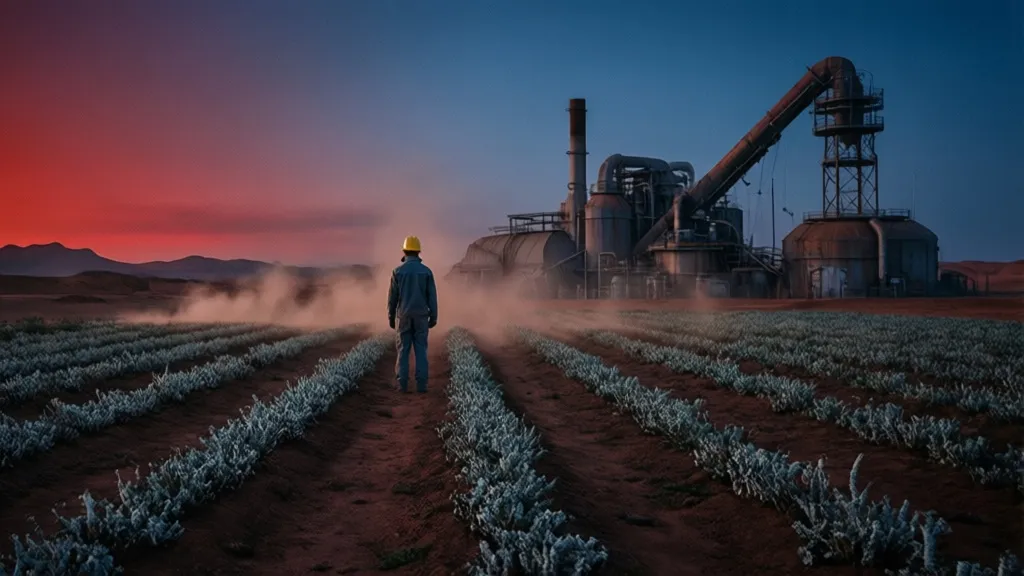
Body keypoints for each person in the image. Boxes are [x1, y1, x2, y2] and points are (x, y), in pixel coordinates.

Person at [386, 235, 438, 393]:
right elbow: (432, 297)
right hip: (422, 317)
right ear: (418, 252)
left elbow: (392, 298)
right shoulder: (427, 272)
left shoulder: (397, 272)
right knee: (421, 350)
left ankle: (402, 385)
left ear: (404, 251)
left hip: (404, 317)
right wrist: (434, 317)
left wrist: (391, 317)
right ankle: (421, 386)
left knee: (403, 350)